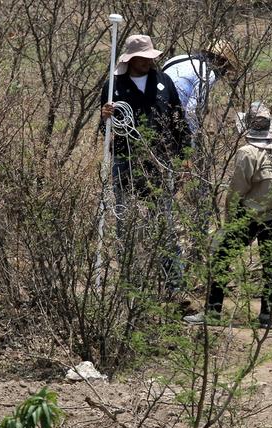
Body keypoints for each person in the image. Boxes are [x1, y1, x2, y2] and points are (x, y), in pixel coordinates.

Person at [100, 34, 191, 291]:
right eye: (143, 58)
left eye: (151, 57)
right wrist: (105, 117)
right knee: (125, 221)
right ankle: (131, 284)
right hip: (126, 162)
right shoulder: (113, 86)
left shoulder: (163, 81)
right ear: (132, 59)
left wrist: (185, 157)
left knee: (163, 221)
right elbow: (104, 131)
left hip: (160, 163)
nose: (149, 62)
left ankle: (174, 285)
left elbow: (178, 121)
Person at [184, 102, 272, 327]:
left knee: (221, 258)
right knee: (271, 265)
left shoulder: (246, 152)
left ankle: (212, 313)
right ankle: (268, 316)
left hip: (248, 215)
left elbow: (237, 189)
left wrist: (229, 217)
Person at [161, 39, 240, 136]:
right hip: (168, 116)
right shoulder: (207, 74)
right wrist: (194, 136)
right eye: (225, 67)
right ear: (221, 62)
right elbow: (191, 111)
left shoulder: (178, 58)